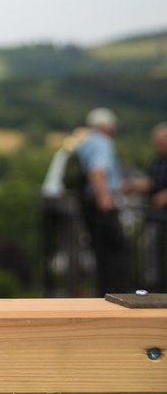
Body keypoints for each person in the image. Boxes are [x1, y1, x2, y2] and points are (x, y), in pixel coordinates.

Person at [75, 108, 130, 294]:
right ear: (107, 127)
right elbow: (97, 170)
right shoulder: (102, 143)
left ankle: (103, 291)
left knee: (100, 251)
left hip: (89, 202)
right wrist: (104, 197)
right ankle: (115, 293)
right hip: (101, 204)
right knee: (116, 252)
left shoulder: (86, 142)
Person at [124, 123, 167, 290]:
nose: (159, 146)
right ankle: (152, 283)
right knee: (148, 244)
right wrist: (133, 186)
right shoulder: (156, 161)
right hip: (157, 215)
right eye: (158, 143)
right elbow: (152, 182)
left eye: (163, 143)